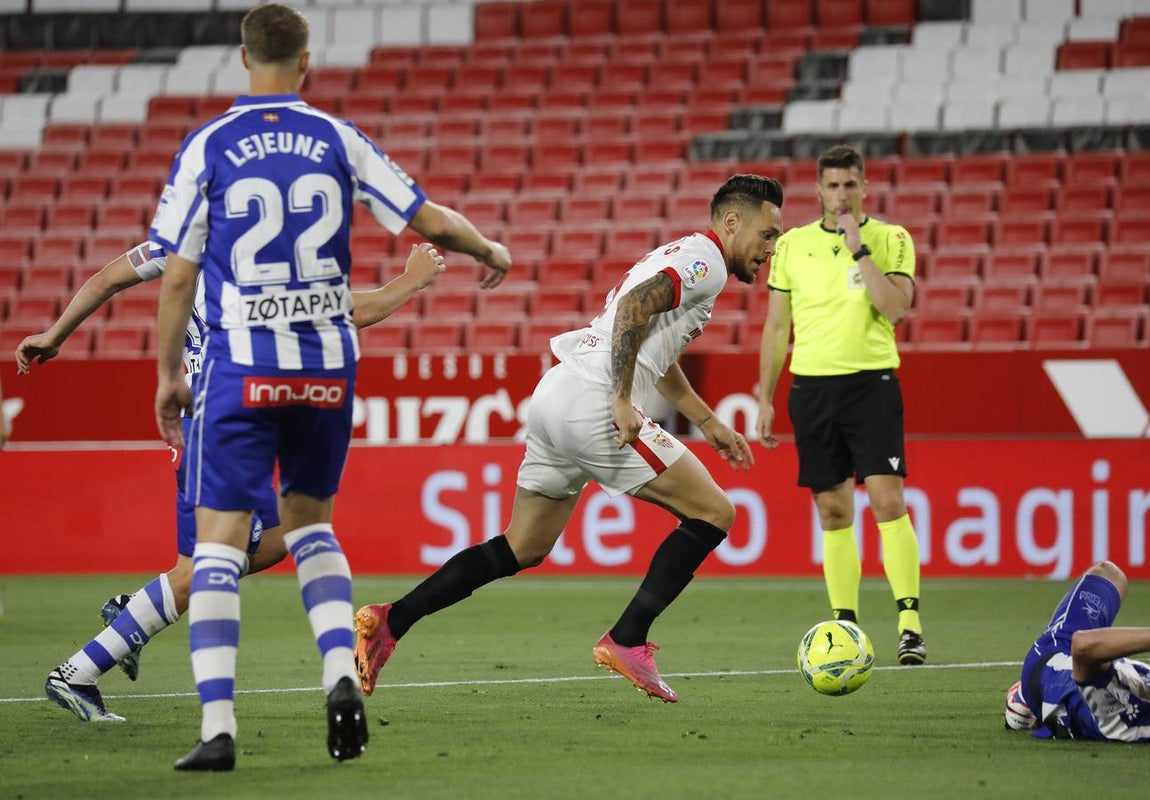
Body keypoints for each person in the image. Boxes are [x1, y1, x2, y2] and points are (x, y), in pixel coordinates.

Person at [148, 4, 510, 771]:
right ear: (306, 61)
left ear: (244, 58)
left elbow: (177, 275)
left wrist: (165, 375)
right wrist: (489, 247)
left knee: (218, 545)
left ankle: (218, 727)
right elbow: (428, 220)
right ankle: (341, 677)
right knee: (311, 526)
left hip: (240, 367)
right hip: (324, 366)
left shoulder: (208, 144)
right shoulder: (336, 139)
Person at [354, 174, 784, 704]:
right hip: (595, 400)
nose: (771, 248)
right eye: (767, 234)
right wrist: (623, 399)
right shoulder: (709, 263)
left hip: (555, 394)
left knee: (522, 546)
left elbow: (654, 346)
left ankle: (391, 619)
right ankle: (627, 639)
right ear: (732, 222)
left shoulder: (681, 255)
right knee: (715, 513)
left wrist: (708, 421)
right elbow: (633, 313)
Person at [23, 238, 446, 724]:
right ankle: (78, 672)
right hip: (218, 423)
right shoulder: (259, 259)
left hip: (222, 417)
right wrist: (410, 281)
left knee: (276, 540)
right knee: (197, 573)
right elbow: (346, 312)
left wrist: (56, 334)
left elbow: (105, 279)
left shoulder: (177, 245)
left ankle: (138, 611)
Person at [755, 144, 925, 665]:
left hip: (871, 383)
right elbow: (777, 325)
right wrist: (765, 397)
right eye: (833, 186)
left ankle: (909, 624)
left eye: (851, 184)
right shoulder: (792, 245)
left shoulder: (891, 239)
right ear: (819, 190)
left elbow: (895, 309)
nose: (842, 194)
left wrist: (858, 249)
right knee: (832, 511)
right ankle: (845, 627)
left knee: (886, 501)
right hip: (812, 389)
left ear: (865, 187)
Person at [1004, 560, 1150, 742]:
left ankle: (1026, 699)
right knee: (1111, 575)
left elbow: (1083, 646)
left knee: (1109, 575)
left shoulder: (1119, 717)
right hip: (1082, 666)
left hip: (1051, 666)